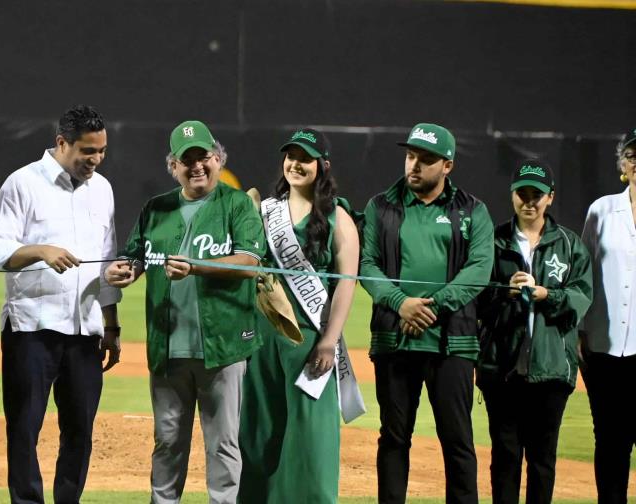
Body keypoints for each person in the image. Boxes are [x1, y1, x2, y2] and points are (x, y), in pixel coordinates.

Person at [104, 120, 265, 504]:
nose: (196, 166)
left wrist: (197, 267)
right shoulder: (156, 209)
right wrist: (124, 270)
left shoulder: (237, 204)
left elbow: (249, 261)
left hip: (223, 346)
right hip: (168, 349)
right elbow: (135, 256)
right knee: (167, 442)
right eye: (186, 159)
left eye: (203, 157)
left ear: (217, 158)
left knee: (223, 445)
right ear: (173, 166)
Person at [0, 105, 122, 504]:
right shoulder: (23, 183)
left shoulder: (103, 189)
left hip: (85, 332)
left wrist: (111, 325)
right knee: (25, 429)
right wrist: (41, 251)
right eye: (87, 151)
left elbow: (106, 259)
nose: (95, 160)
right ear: (62, 143)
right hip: (32, 329)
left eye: (101, 151)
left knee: (79, 430)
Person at [359, 123, 494, 504]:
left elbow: (479, 270)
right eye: (411, 156)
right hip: (394, 338)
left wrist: (431, 308)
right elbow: (366, 264)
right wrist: (400, 303)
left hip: (452, 342)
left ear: (447, 165)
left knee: (457, 439)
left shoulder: (472, 211)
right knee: (394, 438)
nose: (414, 165)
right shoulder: (380, 206)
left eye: (426, 159)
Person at [237, 128, 358, 503]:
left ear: (322, 165)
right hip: (262, 339)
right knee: (260, 428)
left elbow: (347, 285)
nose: (295, 164)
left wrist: (328, 341)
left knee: (309, 436)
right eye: (290, 156)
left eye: (304, 158)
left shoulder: (338, 217)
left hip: (308, 341)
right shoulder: (265, 209)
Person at [477, 160, 592, 504]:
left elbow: (581, 298)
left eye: (536, 195)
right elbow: (474, 297)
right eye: (522, 194)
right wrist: (502, 291)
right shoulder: (493, 242)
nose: (529, 202)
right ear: (512, 195)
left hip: (552, 369)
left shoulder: (570, 245)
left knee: (543, 461)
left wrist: (546, 294)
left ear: (550, 198)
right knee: (505, 458)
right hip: (502, 368)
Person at [581, 127, 636, 504]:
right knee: (611, 441)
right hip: (604, 348)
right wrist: (580, 331)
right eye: (633, 154)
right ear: (623, 164)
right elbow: (585, 275)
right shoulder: (601, 210)